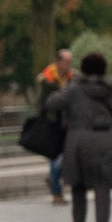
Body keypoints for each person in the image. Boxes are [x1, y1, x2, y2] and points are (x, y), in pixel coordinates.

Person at [45, 51, 112, 222]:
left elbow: (51, 104)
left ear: (82, 69)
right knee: (102, 187)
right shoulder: (110, 90)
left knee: (78, 185)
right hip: (107, 140)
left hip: (79, 142)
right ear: (103, 69)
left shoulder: (75, 89)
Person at [36, 48, 75, 205]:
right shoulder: (46, 79)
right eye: (66, 62)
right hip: (52, 124)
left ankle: (52, 179)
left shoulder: (73, 77)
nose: (69, 65)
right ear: (58, 62)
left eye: (70, 62)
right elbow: (40, 103)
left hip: (68, 124)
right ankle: (57, 194)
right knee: (56, 158)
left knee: (65, 158)